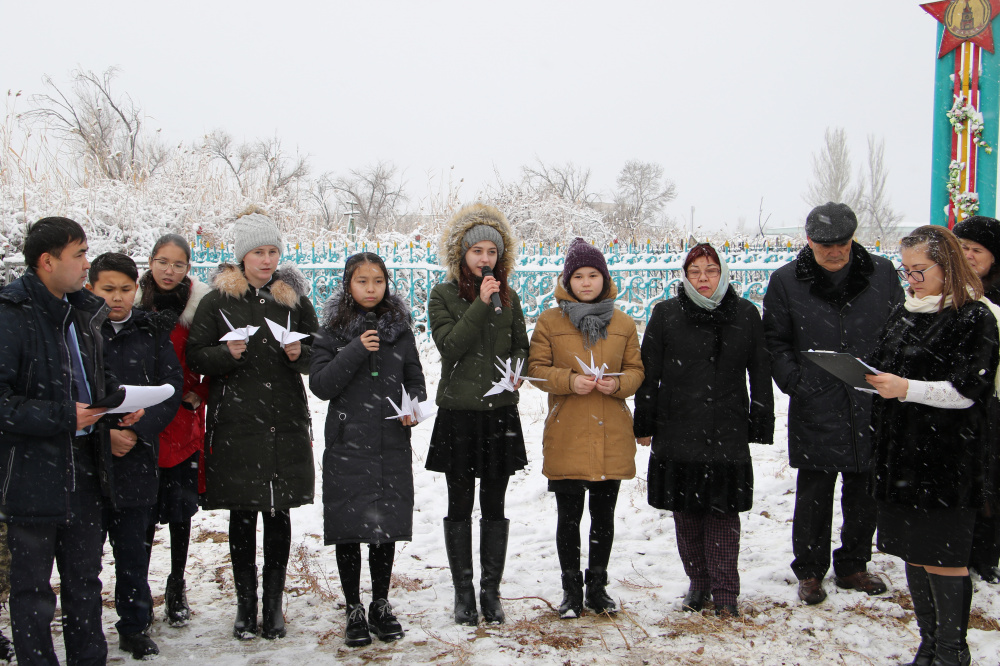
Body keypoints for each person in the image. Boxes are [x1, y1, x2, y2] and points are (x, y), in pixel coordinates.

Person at [0, 217, 144, 665]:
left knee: (85, 582)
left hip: (84, 469)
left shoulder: (82, 311)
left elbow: (92, 377)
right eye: (79, 255)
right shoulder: (11, 315)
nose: (87, 264)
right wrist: (64, 416)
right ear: (47, 261)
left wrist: (120, 401)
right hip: (30, 473)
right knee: (32, 590)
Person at [866, 225, 999, 666]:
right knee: (914, 553)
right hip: (899, 453)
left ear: (948, 265)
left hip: (947, 457)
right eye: (905, 270)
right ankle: (928, 645)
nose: (911, 280)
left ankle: (951, 651)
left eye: (919, 270)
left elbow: (967, 389)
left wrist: (906, 388)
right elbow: (888, 366)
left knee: (944, 557)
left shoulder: (974, 316)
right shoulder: (905, 310)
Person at [187, 210, 318, 640]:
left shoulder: (293, 300)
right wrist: (226, 354)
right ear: (242, 256)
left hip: (283, 420)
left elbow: (320, 351)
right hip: (237, 423)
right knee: (243, 513)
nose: (266, 260)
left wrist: (302, 356)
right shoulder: (217, 300)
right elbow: (195, 355)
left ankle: (273, 604)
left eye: (273, 251)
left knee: (279, 511)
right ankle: (246, 606)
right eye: (258, 252)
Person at [762, 202, 902, 604]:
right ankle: (809, 570)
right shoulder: (788, 281)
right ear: (809, 241)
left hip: (870, 398)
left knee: (865, 490)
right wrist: (796, 381)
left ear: (852, 239)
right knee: (814, 493)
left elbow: (897, 328)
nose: (835, 252)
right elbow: (776, 340)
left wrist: (886, 374)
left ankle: (854, 564)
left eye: (842, 244)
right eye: (825, 246)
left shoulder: (881, 273)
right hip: (817, 400)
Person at [634, 243, 773, 618]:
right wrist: (644, 423)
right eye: (695, 271)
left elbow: (760, 371)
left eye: (711, 270)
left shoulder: (745, 314)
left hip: (726, 429)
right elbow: (650, 374)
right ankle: (698, 582)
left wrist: (759, 422)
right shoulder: (666, 314)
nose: (703, 278)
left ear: (723, 273)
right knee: (687, 514)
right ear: (685, 276)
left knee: (724, 515)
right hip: (677, 427)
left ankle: (726, 591)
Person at [309, 252, 427, 647]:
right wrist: (356, 348)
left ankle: (379, 603)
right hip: (349, 444)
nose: (371, 288)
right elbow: (322, 385)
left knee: (385, 526)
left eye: (378, 281)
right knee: (348, 527)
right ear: (348, 285)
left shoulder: (401, 330)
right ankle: (353, 607)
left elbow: (415, 377)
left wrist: (414, 405)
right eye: (363, 281)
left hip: (391, 442)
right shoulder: (330, 331)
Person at [526, 238, 643, 619]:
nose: (587, 282)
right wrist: (569, 380)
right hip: (568, 433)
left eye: (594, 275)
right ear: (568, 280)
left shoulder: (623, 323)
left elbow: (637, 371)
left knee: (604, 517)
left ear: (604, 278)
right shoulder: (549, 321)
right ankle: (571, 590)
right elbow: (536, 370)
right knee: (569, 516)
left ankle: (598, 587)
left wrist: (619, 384)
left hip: (611, 432)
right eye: (579, 276)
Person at [427, 203, 529, 626]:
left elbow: (521, 342)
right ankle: (463, 592)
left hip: (499, 414)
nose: (484, 258)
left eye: (491, 251)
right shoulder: (443, 295)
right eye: (477, 251)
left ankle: (490, 591)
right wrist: (481, 304)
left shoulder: (511, 296)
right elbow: (450, 345)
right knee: (460, 502)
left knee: (494, 503)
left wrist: (519, 368)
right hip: (460, 415)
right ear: (462, 255)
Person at [87, 252, 183, 659]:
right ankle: (86, 626)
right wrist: (103, 434)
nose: (117, 298)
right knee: (85, 557)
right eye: (107, 289)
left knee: (133, 551)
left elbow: (171, 387)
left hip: (138, 457)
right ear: (91, 287)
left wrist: (140, 427)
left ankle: (135, 624)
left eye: (126, 289)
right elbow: (68, 392)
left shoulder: (151, 331)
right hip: (89, 460)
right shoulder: (79, 331)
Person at [135, 233, 211, 625]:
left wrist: (199, 392)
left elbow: (209, 357)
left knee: (181, 511)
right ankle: (139, 590)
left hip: (182, 424)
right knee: (142, 513)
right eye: (163, 262)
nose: (170, 270)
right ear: (150, 262)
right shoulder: (132, 303)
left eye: (178, 264)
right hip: (141, 422)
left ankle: (177, 583)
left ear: (188, 269)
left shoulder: (198, 308)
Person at [952, 215, 1000, 585]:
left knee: (991, 478)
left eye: (977, 249)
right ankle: (959, 549)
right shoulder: (947, 291)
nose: (968, 255)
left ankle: (986, 553)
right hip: (954, 397)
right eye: (962, 247)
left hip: (993, 399)